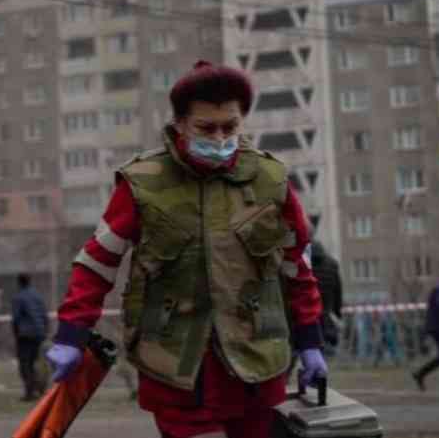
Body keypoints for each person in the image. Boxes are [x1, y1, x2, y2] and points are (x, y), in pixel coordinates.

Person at [46, 61, 327, 438]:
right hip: (175, 369)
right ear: (180, 124)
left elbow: (298, 269)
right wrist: (70, 335)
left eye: (230, 127)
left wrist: (311, 342)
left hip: (257, 367)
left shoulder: (270, 181)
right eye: (206, 128)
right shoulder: (143, 184)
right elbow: (98, 263)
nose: (219, 137)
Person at [12, 273, 49, 401]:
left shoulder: (19, 297)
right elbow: (44, 315)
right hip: (39, 334)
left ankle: (30, 392)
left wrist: (16, 334)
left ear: (19, 283)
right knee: (35, 362)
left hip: (25, 335)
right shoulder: (38, 296)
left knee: (25, 364)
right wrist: (45, 332)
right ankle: (39, 388)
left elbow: (16, 319)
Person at [310, 241, 342, 356]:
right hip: (327, 311)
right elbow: (338, 291)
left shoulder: (307, 265)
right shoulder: (333, 265)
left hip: (310, 311)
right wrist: (338, 312)